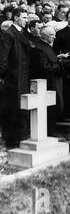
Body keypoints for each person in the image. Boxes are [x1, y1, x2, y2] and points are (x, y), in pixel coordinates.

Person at [0, 8, 31, 148]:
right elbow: (3, 59)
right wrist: (5, 76)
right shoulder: (9, 34)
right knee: (14, 109)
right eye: (24, 17)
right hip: (14, 78)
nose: (26, 20)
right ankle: (13, 141)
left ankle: (21, 137)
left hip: (22, 76)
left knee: (21, 107)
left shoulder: (20, 32)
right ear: (16, 17)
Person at [31, 25, 64, 133]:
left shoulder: (47, 46)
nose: (54, 37)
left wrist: (58, 59)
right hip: (48, 82)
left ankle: (52, 129)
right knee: (50, 107)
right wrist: (59, 64)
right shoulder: (39, 48)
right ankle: (48, 130)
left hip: (54, 80)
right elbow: (45, 67)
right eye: (52, 35)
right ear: (44, 36)